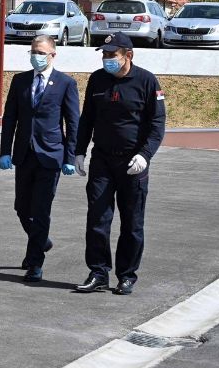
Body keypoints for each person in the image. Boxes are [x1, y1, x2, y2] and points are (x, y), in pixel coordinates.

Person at [73, 32, 165, 295]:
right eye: (104, 54)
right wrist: (79, 151)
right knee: (97, 218)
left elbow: (157, 124)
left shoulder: (146, 81)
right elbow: (87, 117)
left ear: (128, 55)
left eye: (112, 55)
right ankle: (98, 272)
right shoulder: (97, 79)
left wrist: (145, 155)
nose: (107, 59)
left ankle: (126, 275)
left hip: (132, 162)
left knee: (132, 222)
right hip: (102, 159)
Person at [0, 35, 79, 282]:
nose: (36, 56)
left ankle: (35, 263)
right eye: (33, 51)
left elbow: (73, 121)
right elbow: (10, 117)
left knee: (41, 210)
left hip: (51, 156)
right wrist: (5, 151)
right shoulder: (20, 81)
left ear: (52, 54)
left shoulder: (66, 83)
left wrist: (70, 156)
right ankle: (41, 241)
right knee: (22, 208)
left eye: (41, 52)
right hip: (24, 155)